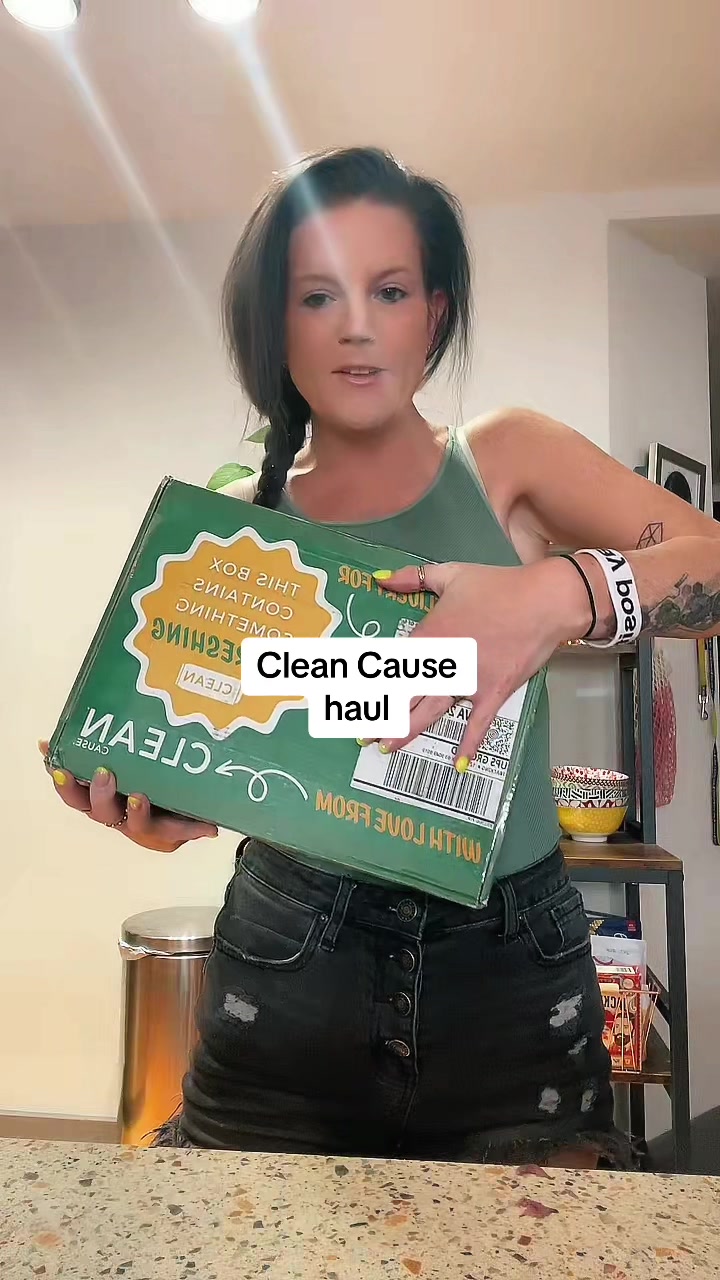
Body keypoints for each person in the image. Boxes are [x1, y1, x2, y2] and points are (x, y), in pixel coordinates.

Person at [43, 146, 720, 1169]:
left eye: (389, 291)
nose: (356, 324)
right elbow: (272, 729)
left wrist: (556, 594)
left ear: (433, 316)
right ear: (276, 324)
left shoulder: (508, 457)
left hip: (513, 971)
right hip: (288, 960)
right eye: (318, 295)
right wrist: (168, 797)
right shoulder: (239, 522)